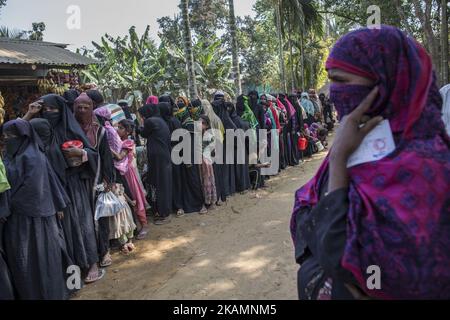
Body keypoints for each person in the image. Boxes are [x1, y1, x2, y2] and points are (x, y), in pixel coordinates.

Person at [291, 25, 450, 300]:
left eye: (340, 81)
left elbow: (350, 266)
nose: (330, 92)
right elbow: (309, 215)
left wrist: (340, 161)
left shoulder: (425, 166)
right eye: (329, 80)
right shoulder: (356, 139)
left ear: (383, 83)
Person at [22, 94, 105, 284]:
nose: (49, 113)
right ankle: (74, 267)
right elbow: (14, 132)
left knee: (82, 226)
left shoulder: (70, 129)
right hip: (50, 188)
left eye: (54, 109)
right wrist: (29, 113)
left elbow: (93, 155)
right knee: (65, 231)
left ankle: (92, 263)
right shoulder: (39, 129)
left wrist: (80, 153)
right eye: (46, 110)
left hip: (73, 186)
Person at [1, 119, 70, 299]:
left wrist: (6, 204)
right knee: (23, 265)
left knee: (39, 262)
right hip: (16, 221)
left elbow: (31, 192)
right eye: (5, 136)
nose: (7, 140)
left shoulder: (33, 157)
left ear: (23, 138)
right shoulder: (9, 156)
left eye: (11, 136)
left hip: (34, 220)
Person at [114, 119, 150, 238]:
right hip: (121, 173)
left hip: (129, 173)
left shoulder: (128, 142)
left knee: (135, 198)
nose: (117, 130)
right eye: (117, 127)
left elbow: (120, 157)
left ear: (128, 131)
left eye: (121, 128)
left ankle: (144, 225)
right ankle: (134, 226)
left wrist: (108, 148)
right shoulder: (118, 141)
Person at [138, 104, 173, 225]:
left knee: (159, 183)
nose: (141, 118)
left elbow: (143, 134)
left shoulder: (150, 121)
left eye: (141, 116)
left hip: (158, 158)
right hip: (163, 156)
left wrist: (139, 126)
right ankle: (161, 209)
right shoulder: (160, 120)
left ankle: (163, 212)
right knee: (162, 183)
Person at [175, 97, 207, 214]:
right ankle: (190, 205)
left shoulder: (189, 124)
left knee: (194, 180)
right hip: (186, 157)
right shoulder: (185, 123)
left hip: (190, 157)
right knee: (187, 181)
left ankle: (200, 204)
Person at [202, 99, 226, 206]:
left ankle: (218, 197)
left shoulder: (213, 119)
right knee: (214, 175)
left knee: (215, 175)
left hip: (213, 150)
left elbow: (220, 134)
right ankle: (217, 198)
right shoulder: (212, 118)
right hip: (213, 150)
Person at [198, 114, 218, 208]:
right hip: (201, 161)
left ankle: (210, 201)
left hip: (206, 161)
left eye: (202, 123)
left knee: (208, 180)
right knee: (203, 180)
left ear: (206, 125)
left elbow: (214, 148)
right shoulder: (198, 134)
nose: (200, 125)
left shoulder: (209, 135)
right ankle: (206, 200)